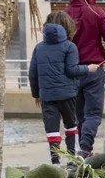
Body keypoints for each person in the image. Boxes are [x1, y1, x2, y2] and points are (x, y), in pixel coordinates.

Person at [29, 11, 99, 165]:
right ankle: (72, 159)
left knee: (52, 130)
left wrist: (36, 94)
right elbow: (72, 70)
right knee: (71, 126)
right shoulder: (70, 46)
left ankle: (55, 163)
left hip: (47, 97)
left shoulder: (39, 48)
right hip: (68, 95)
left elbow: (32, 74)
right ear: (68, 27)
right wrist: (88, 69)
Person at [65, 0, 105, 160]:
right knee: (93, 113)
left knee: (79, 114)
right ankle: (85, 149)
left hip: (72, 71)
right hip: (94, 70)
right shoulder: (96, 12)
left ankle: (82, 150)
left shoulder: (64, 15)